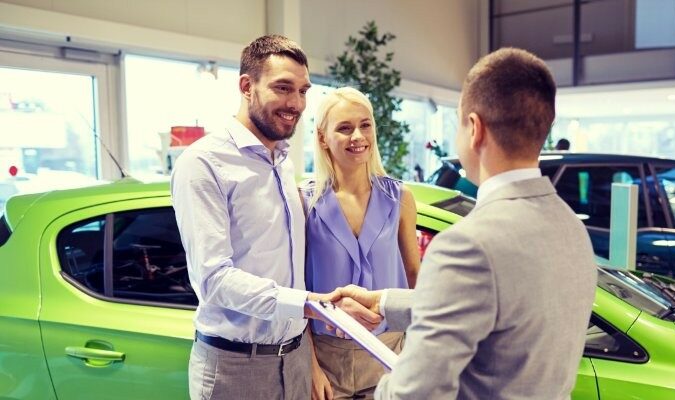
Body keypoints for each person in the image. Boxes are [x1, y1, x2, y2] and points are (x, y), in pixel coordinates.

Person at [337, 48, 597, 400]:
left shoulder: (468, 245)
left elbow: (415, 394)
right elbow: (497, 308)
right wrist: (382, 302)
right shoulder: (571, 227)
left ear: (474, 129)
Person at [171, 35, 344, 400]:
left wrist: (308, 355)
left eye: (302, 91)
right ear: (247, 86)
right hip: (235, 367)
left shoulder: (283, 161)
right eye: (283, 88)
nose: (295, 103)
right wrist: (309, 303)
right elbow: (213, 279)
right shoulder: (203, 163)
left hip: (294, 357)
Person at [303, 87, 420, 399]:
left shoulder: (400, 198)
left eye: (365, 125)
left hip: (390, 351)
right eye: (344, 128)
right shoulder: (304, 202)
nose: (358, 136)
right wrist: (311, 366)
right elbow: (295, 289)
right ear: (322, 137)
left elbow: (415, 277)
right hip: (328, 358)